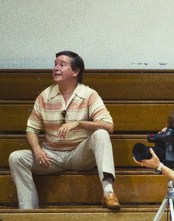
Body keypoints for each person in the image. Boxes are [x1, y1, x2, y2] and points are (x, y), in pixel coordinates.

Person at [8, 51, 120, 210]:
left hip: (79, 155)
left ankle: (109, 194)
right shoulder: (45, 96)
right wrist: (37, 149)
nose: (56, 68)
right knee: (16, 158)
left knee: (101, 134)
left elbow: (109, 126)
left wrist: (79, 123)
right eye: (55, 64)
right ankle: (28, 209)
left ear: (75, 71)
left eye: (62, 64)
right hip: (51, 156)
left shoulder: (89, 94)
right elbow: (31, 129)